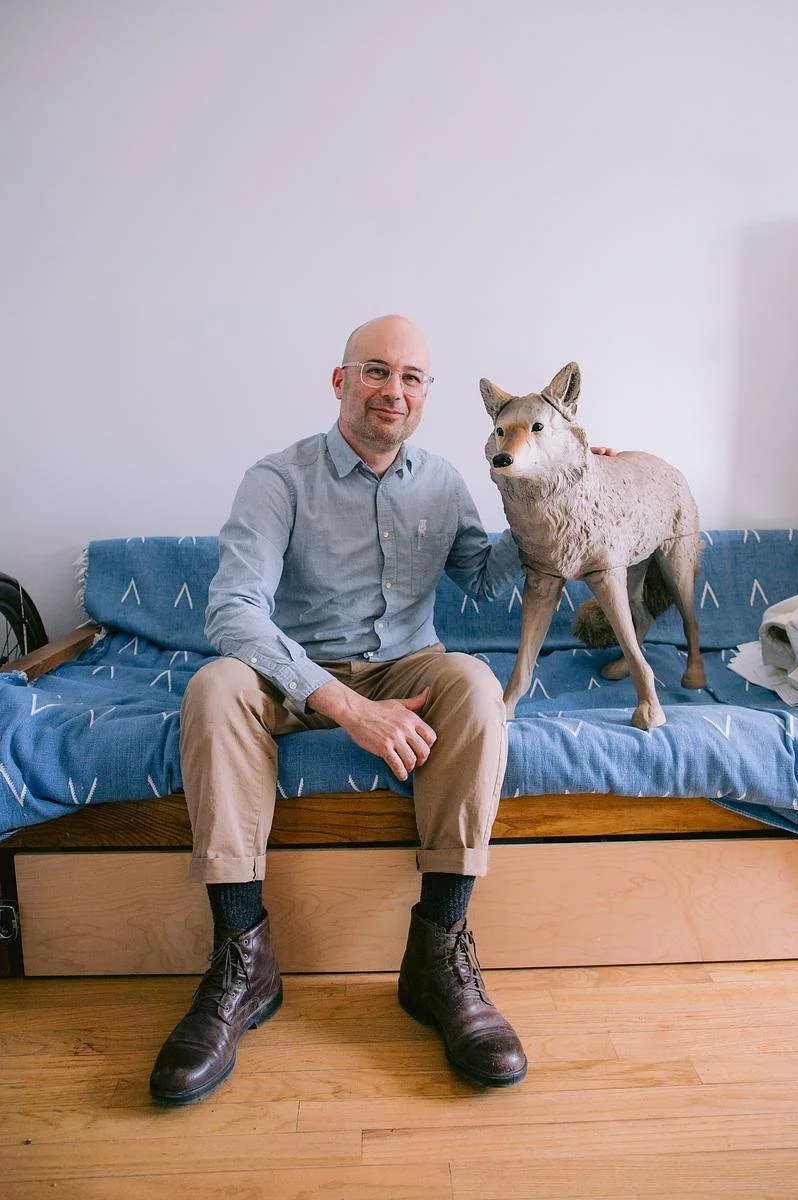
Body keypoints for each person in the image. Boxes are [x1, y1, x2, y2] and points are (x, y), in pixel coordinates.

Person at [149, 314, 611, 1106]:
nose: (392, 390)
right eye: (374, 371)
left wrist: (549, 483)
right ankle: (241, 959)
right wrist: (342, 705)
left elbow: (487, 578)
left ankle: (438, 956)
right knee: (213, 686)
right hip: (293, 672)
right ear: (340, 381)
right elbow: (231, 612)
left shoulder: (443, 481)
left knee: (471, 682)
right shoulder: (277, 478)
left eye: (410, 378)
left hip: (408, 666)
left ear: (426, 396)